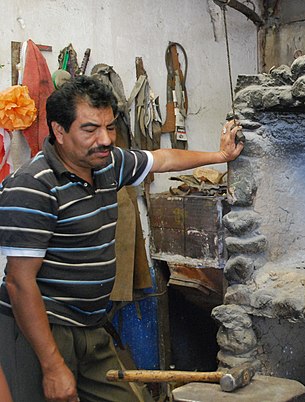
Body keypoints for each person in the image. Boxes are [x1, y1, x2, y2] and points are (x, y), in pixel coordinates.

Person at [0, 75, 244, 402]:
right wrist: (52, 365)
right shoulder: (33, 186)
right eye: (90, 129)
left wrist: (220, 157)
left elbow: (163, 158)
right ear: (59, 131)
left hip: (91, 324)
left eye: (110, 127)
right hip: (40, 331)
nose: (105, 139)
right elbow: (19, 282)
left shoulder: (108, 164)